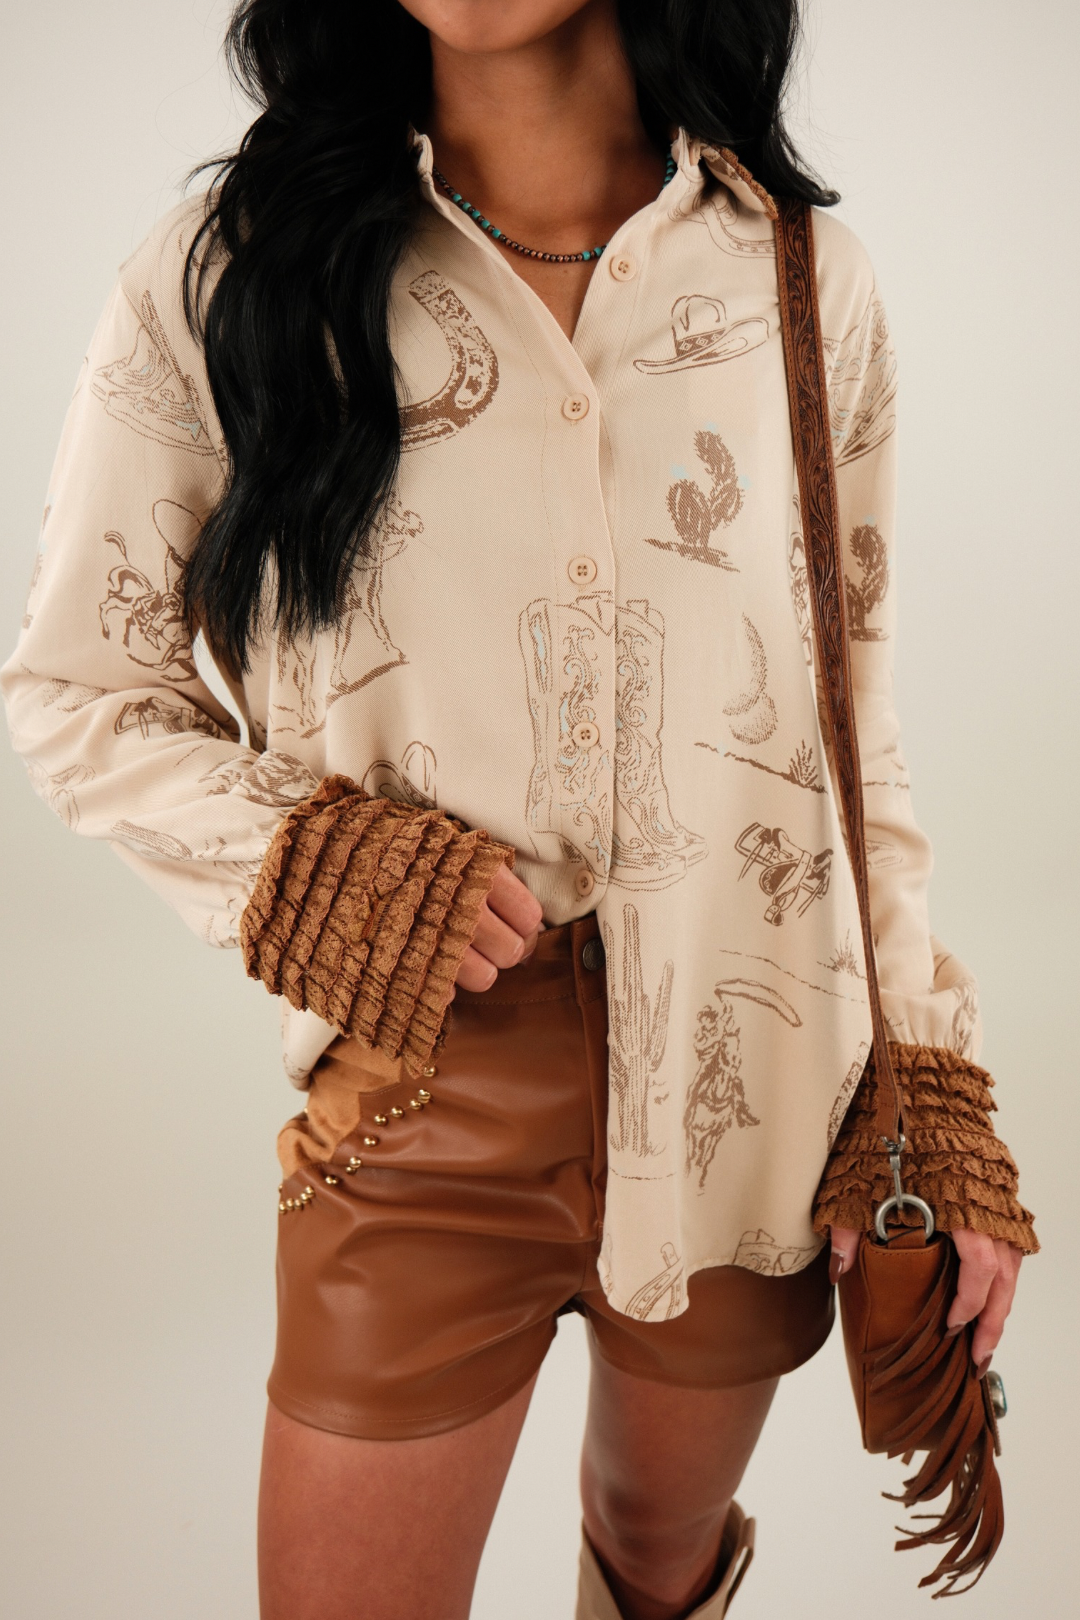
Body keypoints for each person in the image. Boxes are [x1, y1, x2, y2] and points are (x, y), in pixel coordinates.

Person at [2, 3, 1035, 1617]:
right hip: (428, 1105)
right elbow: (74, 688)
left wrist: (937, 1083)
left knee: (654, 1580)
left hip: (750, 1104)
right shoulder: (230, 270)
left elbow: (858, 734)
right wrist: (315, 864)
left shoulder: (803, 278)